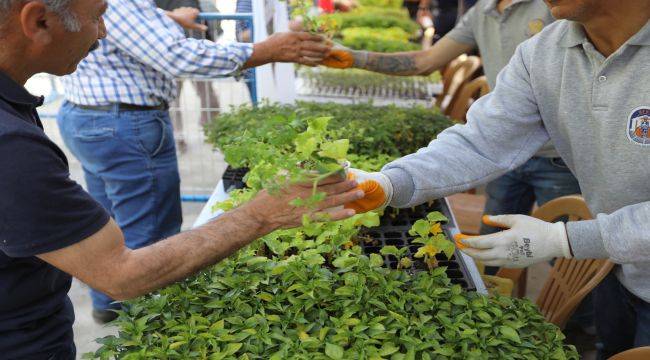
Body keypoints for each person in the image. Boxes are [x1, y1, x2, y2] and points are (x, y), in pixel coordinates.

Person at [0, 1, 361, 358]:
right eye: (97, 17)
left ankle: (110, 312)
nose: (104, 32)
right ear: (39, 21)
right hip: (24, 344)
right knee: (146, 235)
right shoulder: (12, 147)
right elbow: (121, 273)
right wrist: (262, 213)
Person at [341, 0, 650, 357]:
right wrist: (392, 183)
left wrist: (565, 239)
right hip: (620, 269)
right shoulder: (544, 53)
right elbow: (483, 142)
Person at [57, 0, 332, 323]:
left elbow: (126, 26)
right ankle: (147, 326)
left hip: (89, 116)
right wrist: (263, 50)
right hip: (122, 125)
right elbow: (177, 56)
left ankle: (108, 305)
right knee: (150, 237)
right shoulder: (119, 3)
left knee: (108, 224)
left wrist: (168, 17)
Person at [323, 0, 581, 275]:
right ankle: (494, 292)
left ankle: (582, 318)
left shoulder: (558, 10)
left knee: (571, 264)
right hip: (501, 147)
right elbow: (427, 61)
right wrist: (389, 184)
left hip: (558, 156)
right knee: (494, 243)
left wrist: (565, 240)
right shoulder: (483, 12)